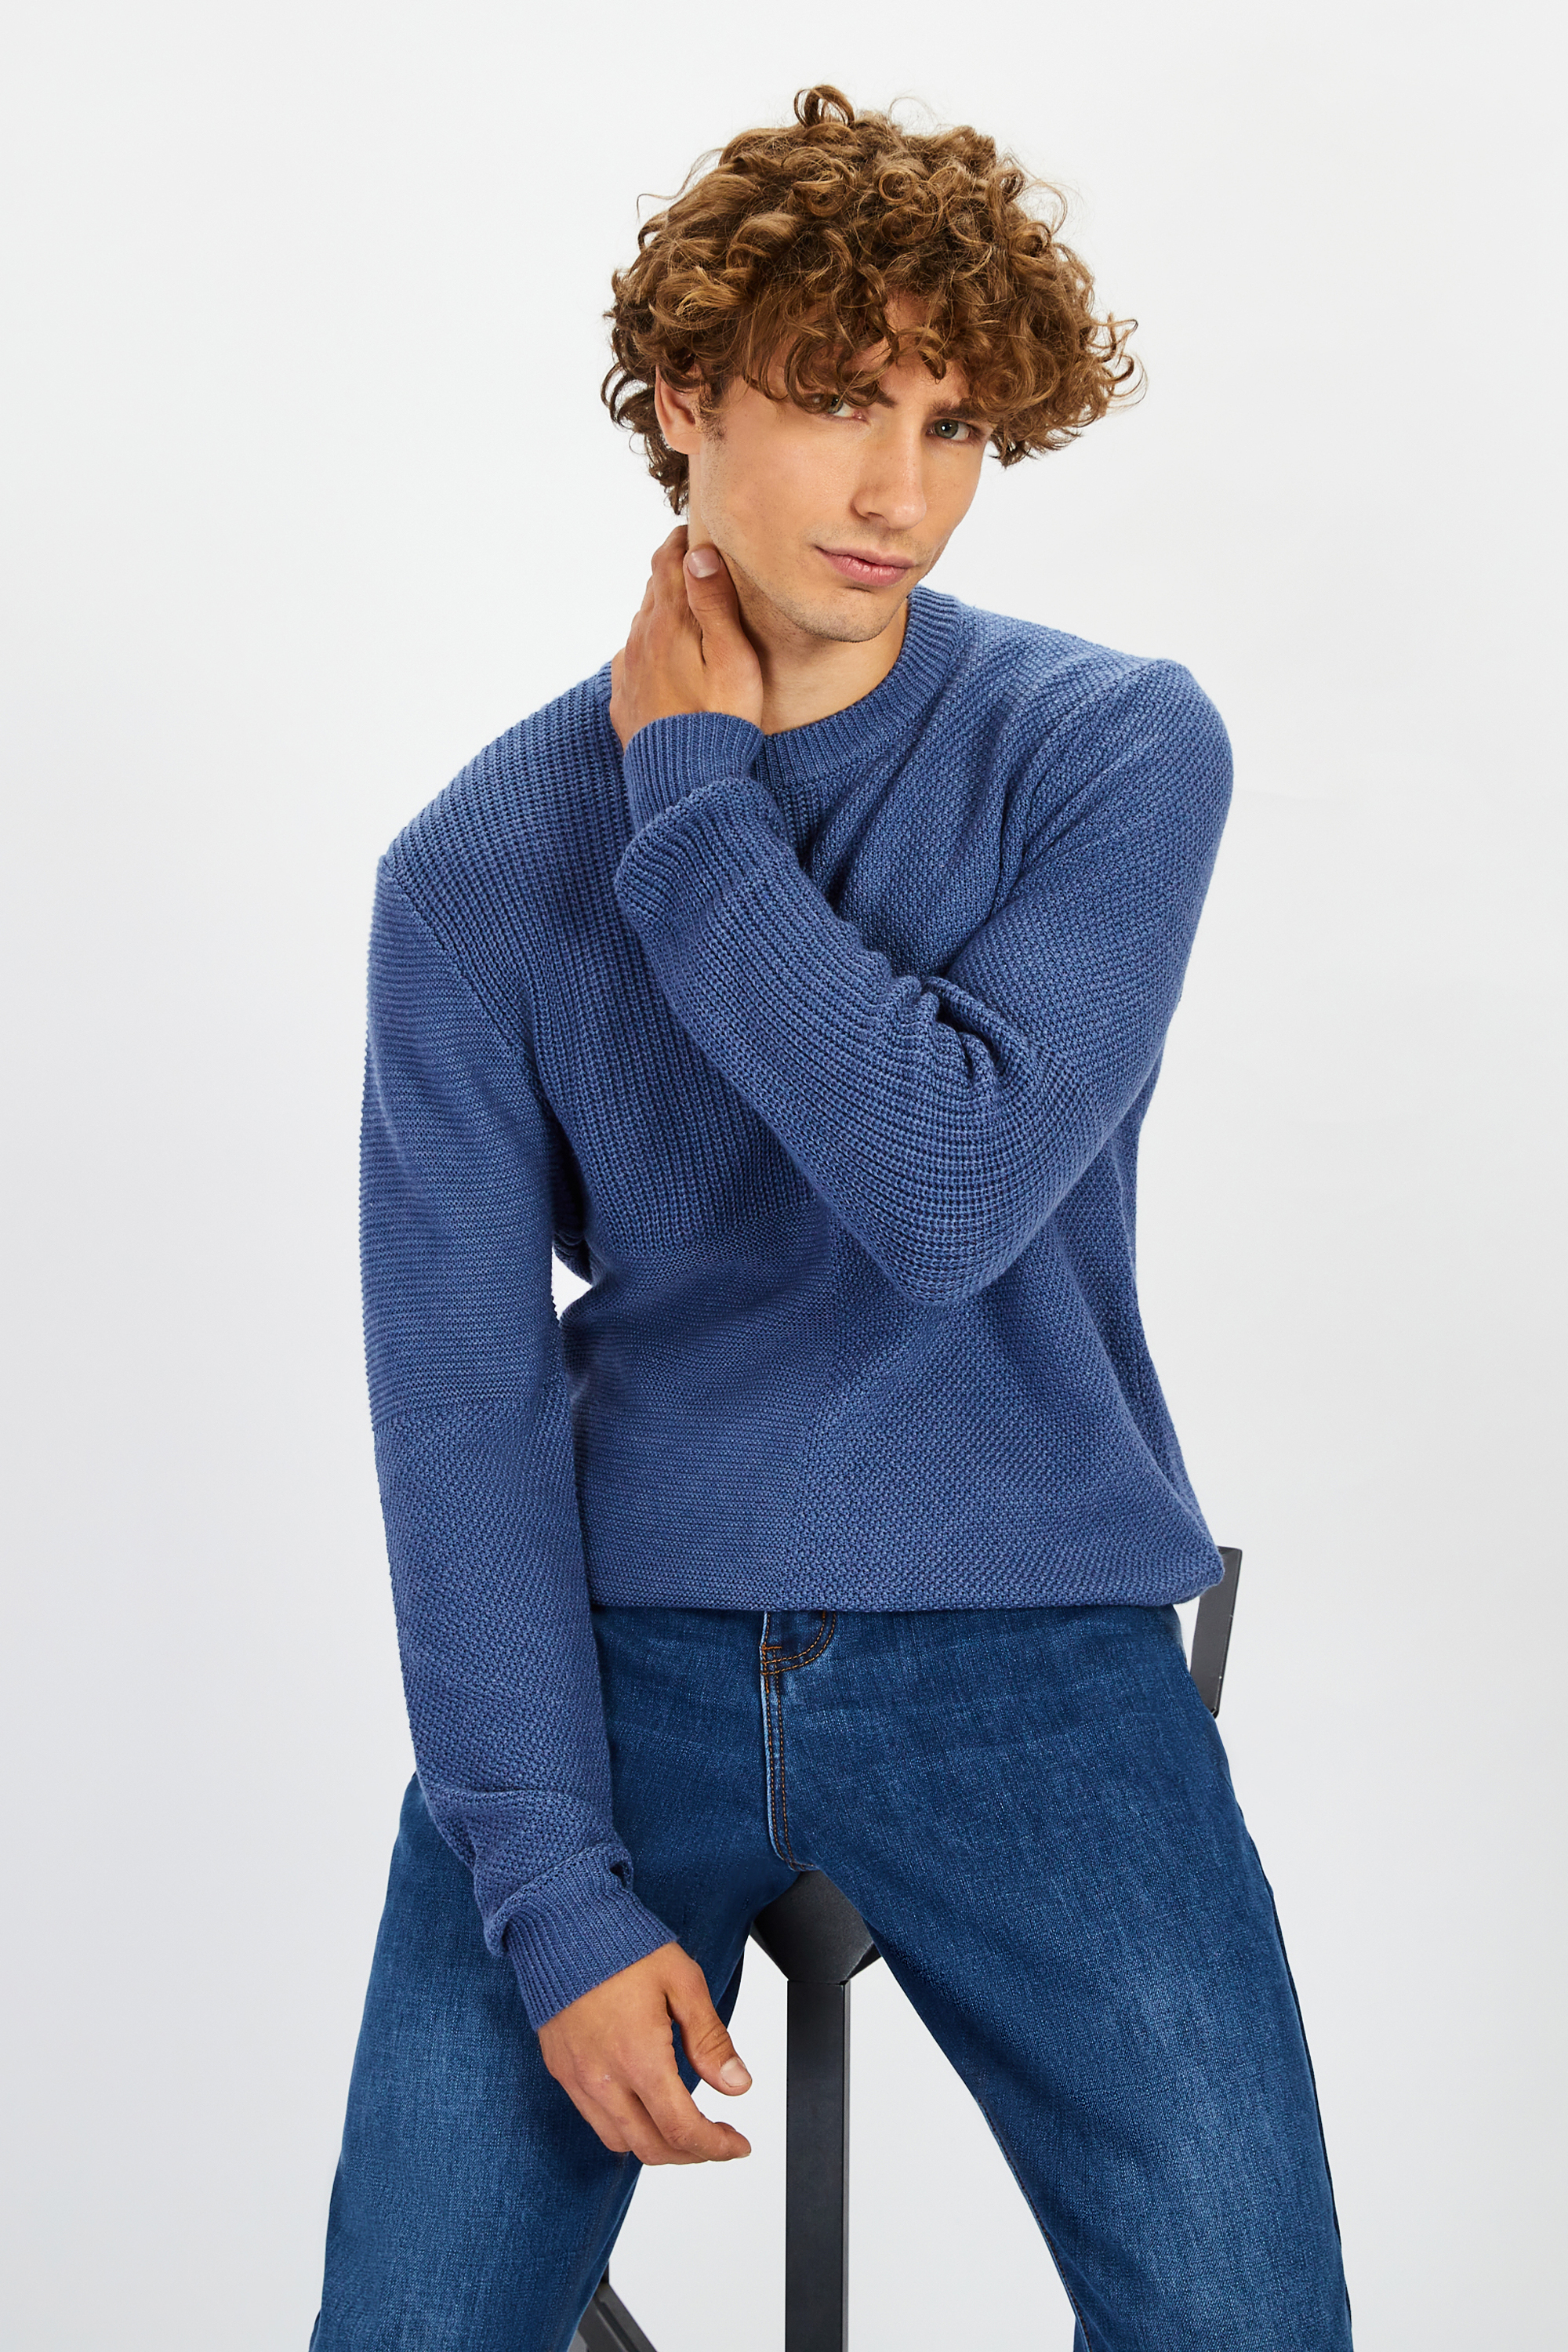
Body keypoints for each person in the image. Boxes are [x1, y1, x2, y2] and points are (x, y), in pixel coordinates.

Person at [310, 82, 1353, 2352]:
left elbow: (946, 1190)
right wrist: (552, 1893)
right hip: (612, 1676)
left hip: (1031, 1650)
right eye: (836, 400)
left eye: (956, 422)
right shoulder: (472, 869)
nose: (904, 494)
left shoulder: (1110, 753)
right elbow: (461, 1410)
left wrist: (693, 806)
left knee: (1251, 2327)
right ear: (685, 397)